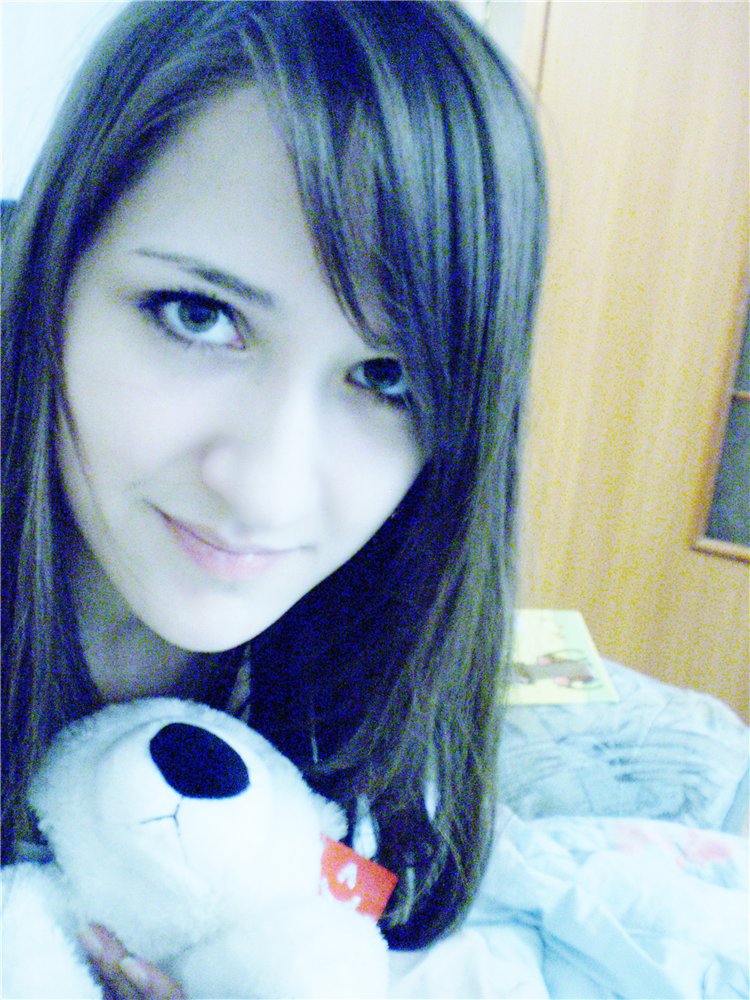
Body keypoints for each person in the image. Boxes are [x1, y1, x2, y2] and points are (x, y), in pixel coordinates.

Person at [1, 1, 546, 996]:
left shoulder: (370, 674)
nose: (265, 487)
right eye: (197, 314)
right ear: (53, 275)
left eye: (386, 377)